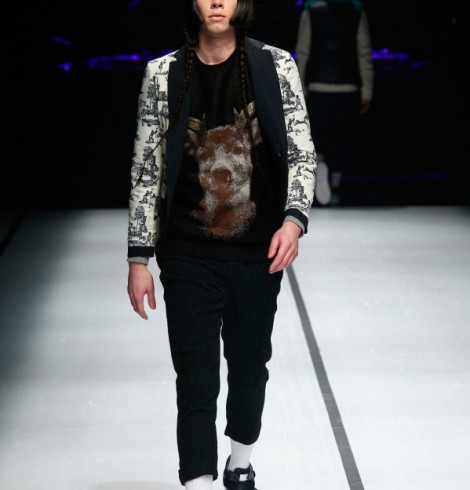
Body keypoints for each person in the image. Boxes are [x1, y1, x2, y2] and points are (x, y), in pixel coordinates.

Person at [126, 1, 316, 488]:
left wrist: (293, 220)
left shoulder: (275, 66)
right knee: (195, 378)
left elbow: (301, 152)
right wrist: (139, 256)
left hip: (257, 252)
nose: (216, 1)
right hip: (186, 252)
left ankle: (240, 462)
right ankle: (198, 481)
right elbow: (147, 169)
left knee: (250, 369)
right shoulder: (162, 75)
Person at [295, 0, 373, 205]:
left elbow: (303, 51)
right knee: (341, 136)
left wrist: (300, 88)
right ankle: (336, 187)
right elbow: (364, 53)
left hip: (317, 83)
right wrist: (367, 90)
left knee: (318, 134)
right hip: (347, 84)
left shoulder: (311, 11)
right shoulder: (357, 12)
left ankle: (320, 168)